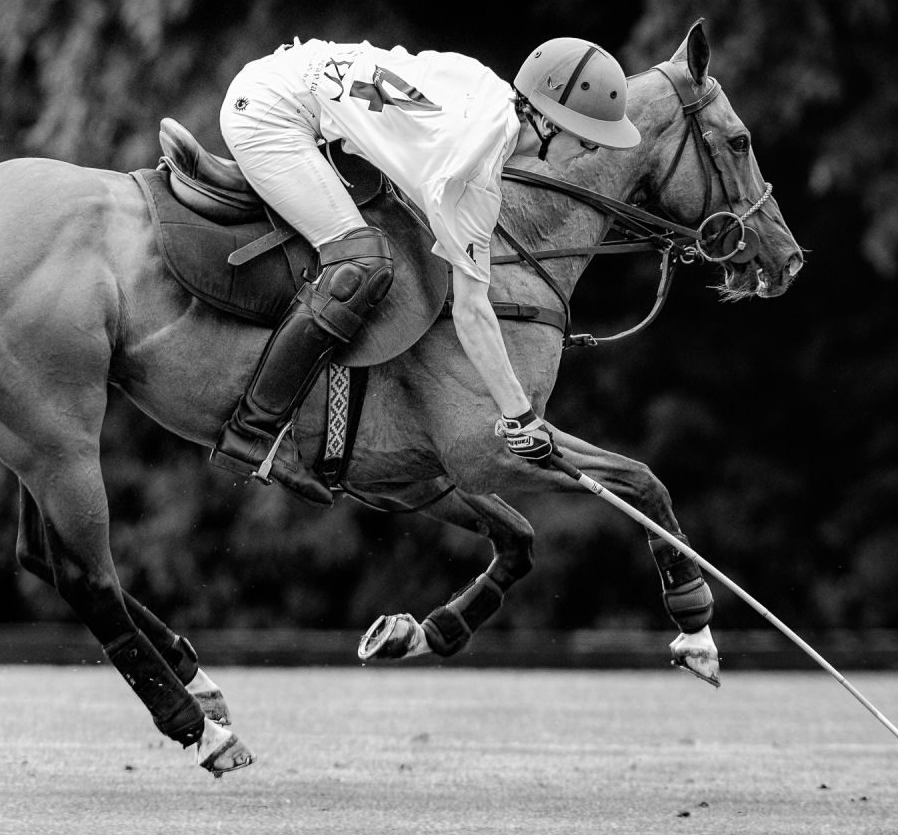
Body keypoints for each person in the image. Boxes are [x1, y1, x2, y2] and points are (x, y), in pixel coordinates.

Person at [211, 35, 640, 504]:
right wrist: (520, 416)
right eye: (587, 141)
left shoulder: (486, 86)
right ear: (548, 122)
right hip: (270, 115)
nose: (590, 155)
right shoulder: (470, 175)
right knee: (362, 262)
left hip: (294, 75)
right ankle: (252, 429)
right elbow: (472, 313)